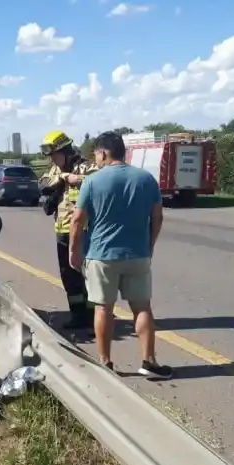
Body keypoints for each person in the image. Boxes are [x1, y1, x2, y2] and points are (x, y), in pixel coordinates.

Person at [68, 131, 172, 379]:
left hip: (101, 255)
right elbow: (157, 217)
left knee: (103, 308)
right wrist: (150, 244)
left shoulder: (92, 181)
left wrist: (74, 251)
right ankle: (149, 361)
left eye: (96, 154)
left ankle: (105, 363)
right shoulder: (146, 179)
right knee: (142, 308)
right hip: (137, 253)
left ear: (103, 152)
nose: (96, 159)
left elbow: (77, 220)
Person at [38, 130, 98, 329]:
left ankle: (93, 318)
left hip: (84, 230)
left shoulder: (86, 167)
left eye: (55, 154)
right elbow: (43, 182)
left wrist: (75, 179)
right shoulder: (56, 169)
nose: (53, 159)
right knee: (69, 276)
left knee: (88, 275)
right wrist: (61, 177)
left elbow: (99, 183)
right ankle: (77, 315)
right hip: (62, 231)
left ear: (66, 150)